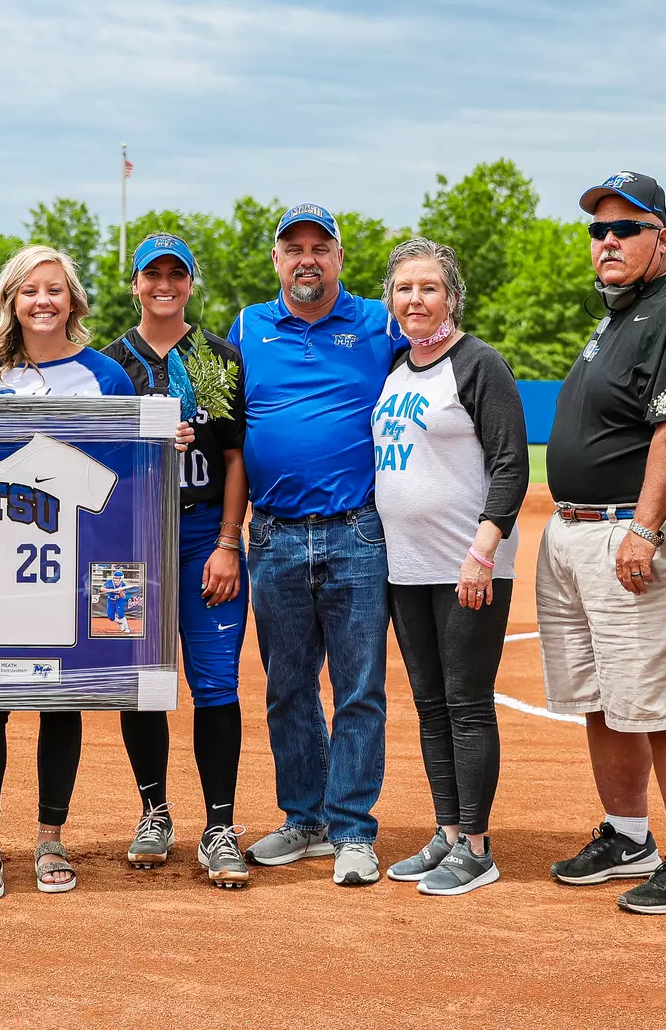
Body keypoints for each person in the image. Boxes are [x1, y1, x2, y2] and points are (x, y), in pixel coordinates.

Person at [0, 245, 191, 898]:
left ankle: (50, 837)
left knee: (63, 700)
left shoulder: (105, 376)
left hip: (79, 560)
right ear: (11, 301)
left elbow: (129, 472)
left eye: (55, 290)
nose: (43, 301)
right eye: (30, 291)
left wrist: (160, 445)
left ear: (73, 301)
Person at [538, 172, 666, 914]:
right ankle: (629, 835)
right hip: (582, 531)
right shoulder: (624, 313)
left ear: (662, 238)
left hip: (640, 534)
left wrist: (645, 529)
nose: (609, 240)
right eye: (599, 229)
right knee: (606, 696)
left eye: (627, 227)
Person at [228, 203, 406, 886]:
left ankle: (353, 830)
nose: (307, 258)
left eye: (319, 247)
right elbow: (231, 433)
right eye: (293, 247)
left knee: (359, 688)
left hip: (356, 531)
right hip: (271, 535)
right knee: (288, 687)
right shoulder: (247, 328)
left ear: (339, 257)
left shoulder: (378, 324)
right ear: (276, 260)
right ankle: (305, 821)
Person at [372, 237, 529, 896]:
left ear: (452, 297)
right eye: (405, 288)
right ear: (391, 301)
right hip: (406, 567)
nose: (416, 299)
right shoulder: (398, 371)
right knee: (432, 706)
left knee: (466, 705)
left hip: (467, 564)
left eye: (428, 287)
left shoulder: (478, 364)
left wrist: (482, 551)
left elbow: (511, 463)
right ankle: (446, 831)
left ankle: (477, 843)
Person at [102, 233, 252, 888]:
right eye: (151, 274)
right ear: (133, 283)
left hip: (200, 537)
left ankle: (219, 825)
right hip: (127, 542)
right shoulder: (108, 366)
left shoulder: (217, 358)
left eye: (176, 274)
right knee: (139, 685)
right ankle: (154, 813)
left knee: (215, 684)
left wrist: (227, 541)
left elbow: (234, 458)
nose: (164, 284)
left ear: (191, 283)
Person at [103, 567, 131, 634]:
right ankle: (120, 623)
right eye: (114, 577)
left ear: (121, 579)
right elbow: (101, 589)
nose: (115, 579)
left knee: (120, 613)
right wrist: (109, 590)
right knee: (111, 617)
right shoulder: (110, 582)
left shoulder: (123, 585)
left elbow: (123, 596)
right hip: (110, 601)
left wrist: (120, 591)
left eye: (117, 578)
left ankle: (127, 628)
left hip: (119, 600)